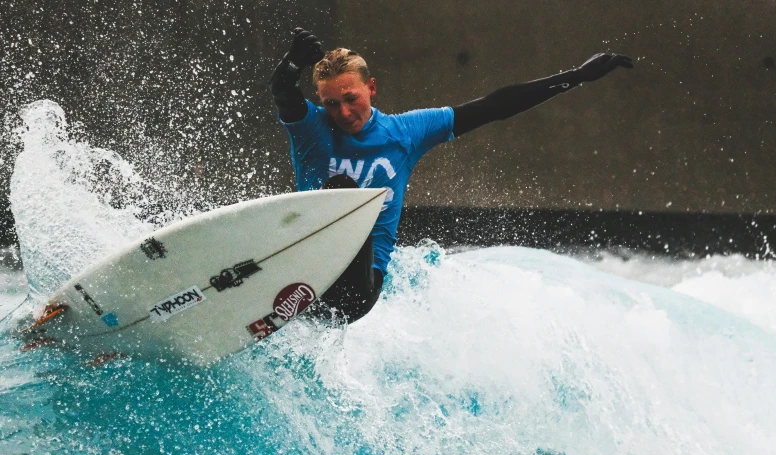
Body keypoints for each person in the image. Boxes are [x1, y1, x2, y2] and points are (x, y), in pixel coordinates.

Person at [269, 28, 632, 323]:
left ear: (372, 88)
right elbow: (284, 94)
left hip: (357, 292)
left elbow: (495, 106)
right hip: (306, 268)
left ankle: (296, 295)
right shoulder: (311, 129)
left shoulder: (405, 133)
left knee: (344, 190)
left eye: (351, 98)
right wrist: (290, 66)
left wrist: (577, 77)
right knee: (334, 192)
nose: (344, 112)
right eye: (331, 103)